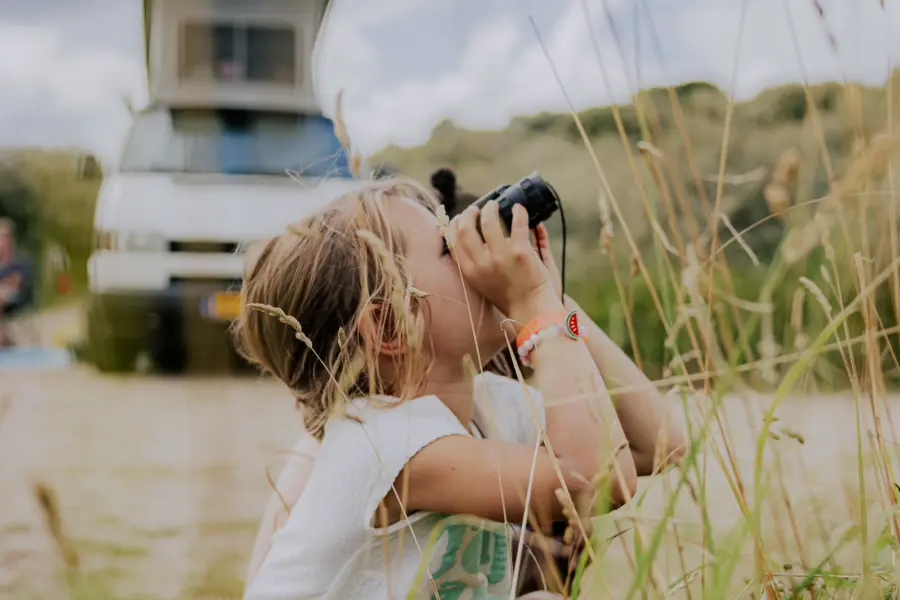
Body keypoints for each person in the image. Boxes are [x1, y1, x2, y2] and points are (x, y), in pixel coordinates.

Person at [236, 177, 686, 600]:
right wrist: (534, 304)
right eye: (449, 249)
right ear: (392, 324)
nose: (473, 256)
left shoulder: (489, 405)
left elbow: (660, 445)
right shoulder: (381, 442)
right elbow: (597, 481)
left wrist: (554, 299)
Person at [0, 219, 29, 348]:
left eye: (4, 238)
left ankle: (4, 338)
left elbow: (15, 283)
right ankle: (5, 337)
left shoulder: (18, 261)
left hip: (16, 296)